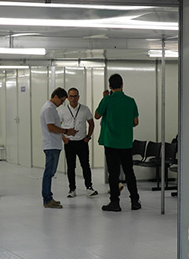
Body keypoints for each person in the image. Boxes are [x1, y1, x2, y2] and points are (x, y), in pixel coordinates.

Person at [94, 73, 141, 212]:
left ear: (110, 86)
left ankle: (115, 202)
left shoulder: (107, 100)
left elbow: (97, 116)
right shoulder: (131, 101)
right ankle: (135, 201)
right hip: (126, 143)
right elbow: (135, 122)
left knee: (113, 174)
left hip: (111, 143)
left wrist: (105, 98)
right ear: (122, 85)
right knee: (129, 172)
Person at [39, 87, 77, 208]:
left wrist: (63, 137)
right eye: (61, 100)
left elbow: (54, 126)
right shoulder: (49, 109)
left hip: (54, 143)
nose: (62, 103)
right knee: (48, 173)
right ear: (55, 97)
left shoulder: (52, 108)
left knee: (50, 172)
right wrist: (67, 131)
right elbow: (51, 127)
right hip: (51, 145)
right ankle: (47, 199)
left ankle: (49, 197)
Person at [60, 87, 98, 198]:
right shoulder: (62, 110)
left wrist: (88, 136)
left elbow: (91, 123)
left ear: (78, 97)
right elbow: (57, 126)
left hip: (82, 142)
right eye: (71, 96)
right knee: (71, 167)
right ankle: (72, 189)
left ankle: (89, 187)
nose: (73, 98)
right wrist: (63, 137)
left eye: (75, 96)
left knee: (85, 165)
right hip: (69, 142)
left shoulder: (85, 109)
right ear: (68, 97)